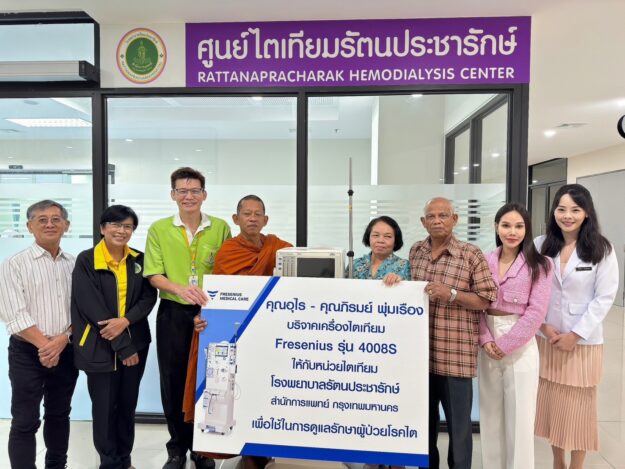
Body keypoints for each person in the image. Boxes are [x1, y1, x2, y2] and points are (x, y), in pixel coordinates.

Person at [183, 194, 291, 469]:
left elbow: (295, 272)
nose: (252, 218)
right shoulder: (229, 251)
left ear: (266, 219)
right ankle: (244, 451)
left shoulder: (278, 248)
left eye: (258, 214)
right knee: (239, 391)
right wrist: (206, 316)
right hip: (235, 331)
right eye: (247, 213)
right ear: (236, 219)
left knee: (263, 389)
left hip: (267, 330)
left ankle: (261, 449)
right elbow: (220, 294)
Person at [144, 167, 231, 469]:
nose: (188, 196)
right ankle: (177, 448)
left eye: (194, 191)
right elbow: (153, 274)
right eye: (182, 191)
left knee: (208, 379)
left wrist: (209, 306)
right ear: (173, 195)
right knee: (173, 380)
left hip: (210, 312)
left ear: (204, 195)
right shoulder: (159, 229)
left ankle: (203, 448)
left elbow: (227, 270)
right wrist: (181, 289)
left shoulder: (220, 228)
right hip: (173, 311)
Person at [534, 184, 619, 469]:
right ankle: (558, 460)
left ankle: (577, 464)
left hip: (582, 343)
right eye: (561, 209)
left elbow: (604, 297)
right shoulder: (541, 244)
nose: (567, 215)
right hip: (549, 338)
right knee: (553, 404)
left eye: (575, 209)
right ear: (554, 211)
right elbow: (532, 289)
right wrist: (542, 326)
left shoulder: (601, 249)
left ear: (586, 213)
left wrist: (576, 334)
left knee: (580, 409)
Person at [409, 197, 497, 469]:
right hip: (420, 358)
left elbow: (486, 298)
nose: (437, 221)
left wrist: (453, 294)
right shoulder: (416, 252)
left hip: (455, 357)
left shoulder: (471, 254)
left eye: (443, 215)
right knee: (424, 427)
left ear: (455, 219)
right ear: (423, 222)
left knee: (459, 430)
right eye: (431, 216)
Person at [71, 205, 157, 469]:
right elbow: (90, 305)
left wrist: (126, 321)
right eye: (116, 225)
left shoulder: (139, 260)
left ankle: (125, 460)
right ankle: (109, 463)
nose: (122, 231)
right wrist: (123, 346)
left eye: (128, 226)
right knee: (105, 408)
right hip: (100, 345)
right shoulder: (87, 260)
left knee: (127, 405)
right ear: (102, 228)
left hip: (136, 343)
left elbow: (148, 297)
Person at [0, 200, 79, 469]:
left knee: (59, 414)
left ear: (66, 225)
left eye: (56, 219)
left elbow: (82, 310)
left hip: (65, 349)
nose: (49, 224)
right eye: (42, 219)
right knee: (25, 420)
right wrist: (47, 346)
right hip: (26, 351)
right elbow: (14, 313)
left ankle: (56, 466)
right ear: (29, 226)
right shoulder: (14, 264)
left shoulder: (75, 265)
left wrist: (62, 340)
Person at [477, 203, 552, 469]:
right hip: (487, 340)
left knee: (520, 417)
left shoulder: (540, 264)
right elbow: (476, 306)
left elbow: (536, 312)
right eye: (506, 225)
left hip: (520, 341)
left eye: (519, 226)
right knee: (490, 413)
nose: (512, 232)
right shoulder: (483, 260)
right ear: (496, 227)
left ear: (526, 229)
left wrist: (505, 344)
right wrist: (486, 339)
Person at [351, 215, 410, 281]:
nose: (380, 240)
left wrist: (399, 283)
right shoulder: (355, 264)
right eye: (376, 235)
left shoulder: (405, 266)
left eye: (387, 236)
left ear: (396, 241)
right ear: (368, 237)